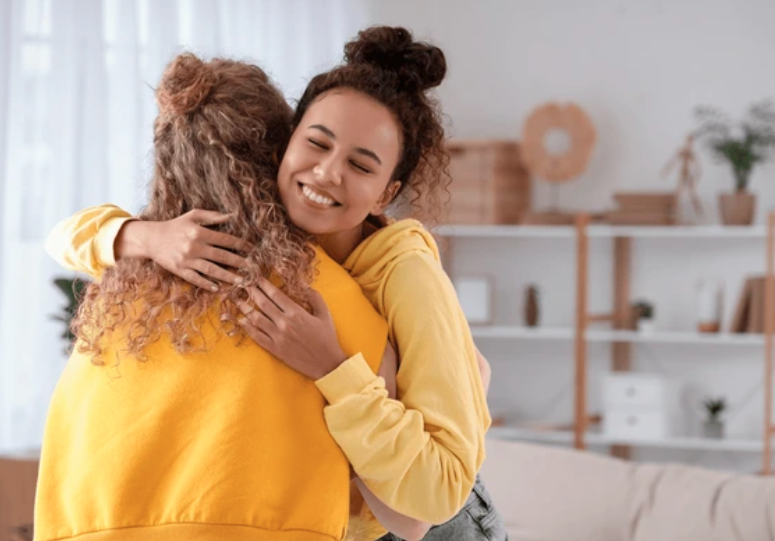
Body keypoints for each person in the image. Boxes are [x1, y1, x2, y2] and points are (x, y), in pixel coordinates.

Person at [47, 27, 505, 541]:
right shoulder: (265, 247)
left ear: (386, 194)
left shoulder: (405, 275)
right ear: (282, 146)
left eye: (360, 165)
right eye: (317, 143)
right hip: (359, 515)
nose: (328, 173)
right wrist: (145, 237)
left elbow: (431, 504)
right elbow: (63, 237)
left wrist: (331, 368)